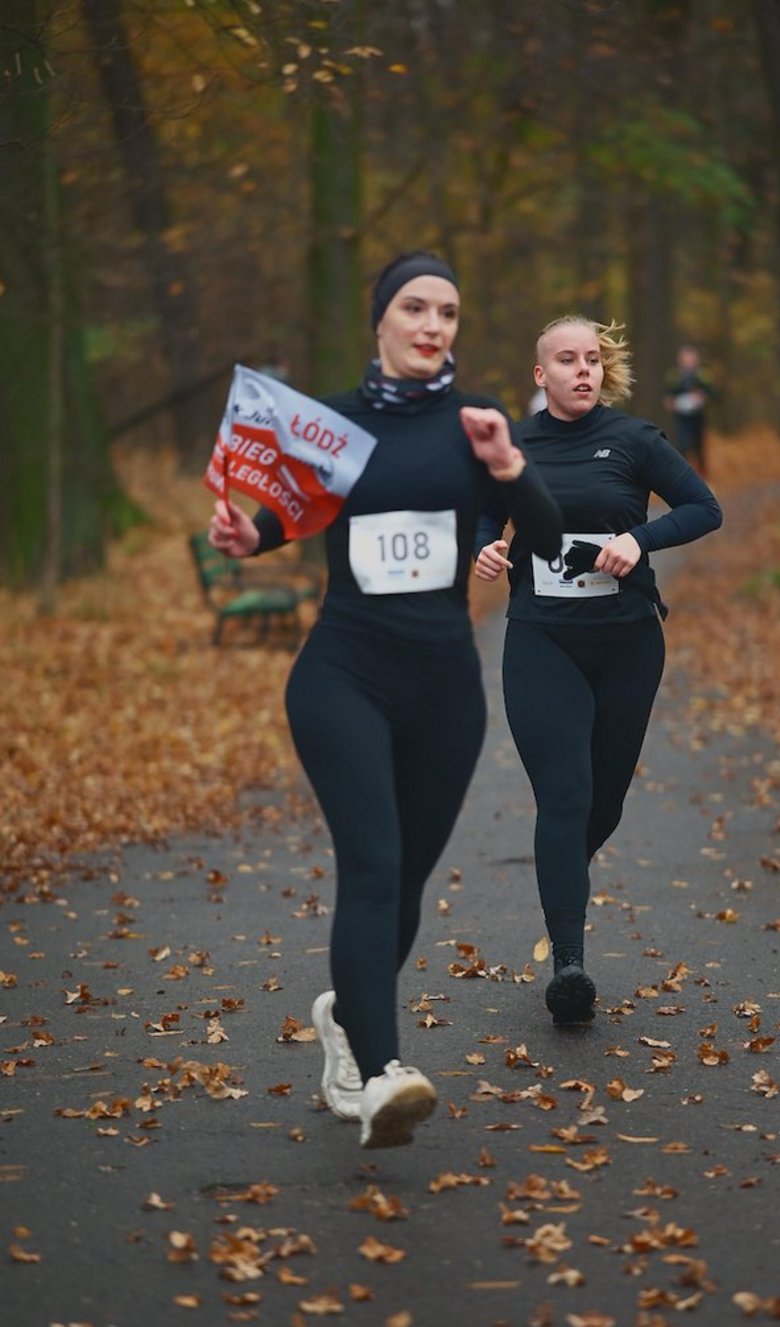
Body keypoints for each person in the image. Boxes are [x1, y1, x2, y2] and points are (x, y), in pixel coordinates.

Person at [208, 253, 562, 1147]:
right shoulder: (330, 425)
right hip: (344, 675)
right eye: (415, 307)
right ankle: (381, 1073)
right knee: (371, 863)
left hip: (446, 687)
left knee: (402, 884)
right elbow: (286, 515)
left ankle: (345, 1022)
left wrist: (511, 466)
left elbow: (550, 539)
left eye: (448, 310)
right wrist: (247, 535)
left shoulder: (477, 426)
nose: (433, 324)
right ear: (382, 318)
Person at [475, 315, 722, 1025]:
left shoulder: (636, 439)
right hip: (541, 641)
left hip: (627, 645)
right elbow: (483, 518)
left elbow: (706, 510)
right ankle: (570, 967)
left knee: (601, 805)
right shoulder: (514, 446)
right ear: (540, 374)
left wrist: (638, 541)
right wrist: (487, 548)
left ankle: (562, 881)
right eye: (567, 359)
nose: (582, 370)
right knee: (564, 794)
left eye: (592, 359)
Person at [664, 343, 713, 477]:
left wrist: (702, 397)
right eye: (685, 358)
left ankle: (703, 473)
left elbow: (711, 393)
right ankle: (683, 473)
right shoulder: (674, 375)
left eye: (690, 358)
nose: (688, 361)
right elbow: (668, 395)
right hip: (681, 417)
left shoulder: (702, 374)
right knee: (682, 443)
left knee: (699, 445)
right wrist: (671, 403)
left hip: (698, 416)